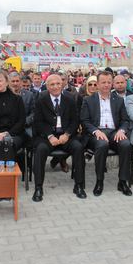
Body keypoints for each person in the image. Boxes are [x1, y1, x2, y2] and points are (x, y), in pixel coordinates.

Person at [32, 74, 86, 202]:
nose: (55, 87)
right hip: (47, 137)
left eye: (58, 84)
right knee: (39, 150)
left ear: (62, 85)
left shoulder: (70, 99)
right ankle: (38, 187)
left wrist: (67, 134)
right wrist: (49, 136)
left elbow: (75, 120)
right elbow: (38, 122)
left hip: (66, 136)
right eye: (52, 84)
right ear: (47, 86)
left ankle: (79, 185)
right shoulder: (40, 101)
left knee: (78, 148)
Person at [80, 71, 132, 196]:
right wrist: (96, 131)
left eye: (109, 82)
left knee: (125, 144)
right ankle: (99, 181)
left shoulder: (118, 100)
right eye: (104, 82)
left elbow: (125, 120)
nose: (106, 85)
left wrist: (121, 130)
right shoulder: (88, 100)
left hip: (114, 133)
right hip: (96, 133)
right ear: (97, 84)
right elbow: (84, 121)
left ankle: (123, 182)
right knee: (102, 145)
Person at [9, 72, 35, 137]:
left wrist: (25, 122)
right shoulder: (5, 96)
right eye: (13, 81)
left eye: (17, 81)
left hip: (25, 126)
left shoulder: (29, 95)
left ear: (20, 82)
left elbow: (33, 112)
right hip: (9, 126)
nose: (15, 84)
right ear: (8, 82)